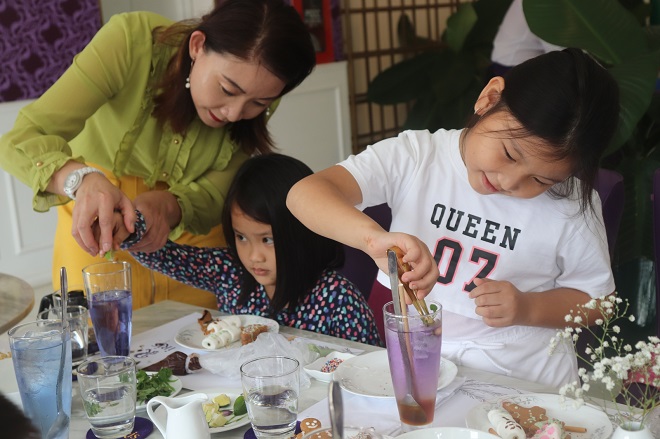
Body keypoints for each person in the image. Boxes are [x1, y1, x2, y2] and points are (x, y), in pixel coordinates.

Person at [287, 48, 620, 386]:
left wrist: (527, 307)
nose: (510, 181)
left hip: (523, 379)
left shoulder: (573, 203)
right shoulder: (417, 156)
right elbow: (304, 194)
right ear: (489, 99)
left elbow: (599, 302)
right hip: (417, 363)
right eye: (508, 154)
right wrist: (374, 240)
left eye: (541, 180)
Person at [0, 0, 316, 309]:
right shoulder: (130, 41)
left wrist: (169, 206)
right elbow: (21, 140)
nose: (235, 113)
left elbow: (218, 188)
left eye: (259, 104)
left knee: (204, 347)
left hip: (195, 241)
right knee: (99, 346)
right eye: (227, 89)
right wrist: (81, 180)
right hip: (102, 220)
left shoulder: (260, 89)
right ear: (197, 46)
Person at [102, 154, 382, 346]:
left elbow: (371, 369)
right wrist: (127, 227)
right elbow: (167, 257)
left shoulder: (338, 299)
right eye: (241, 237)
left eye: (267, 239)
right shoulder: (230, 273)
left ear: (302, 233)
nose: (253, 256)